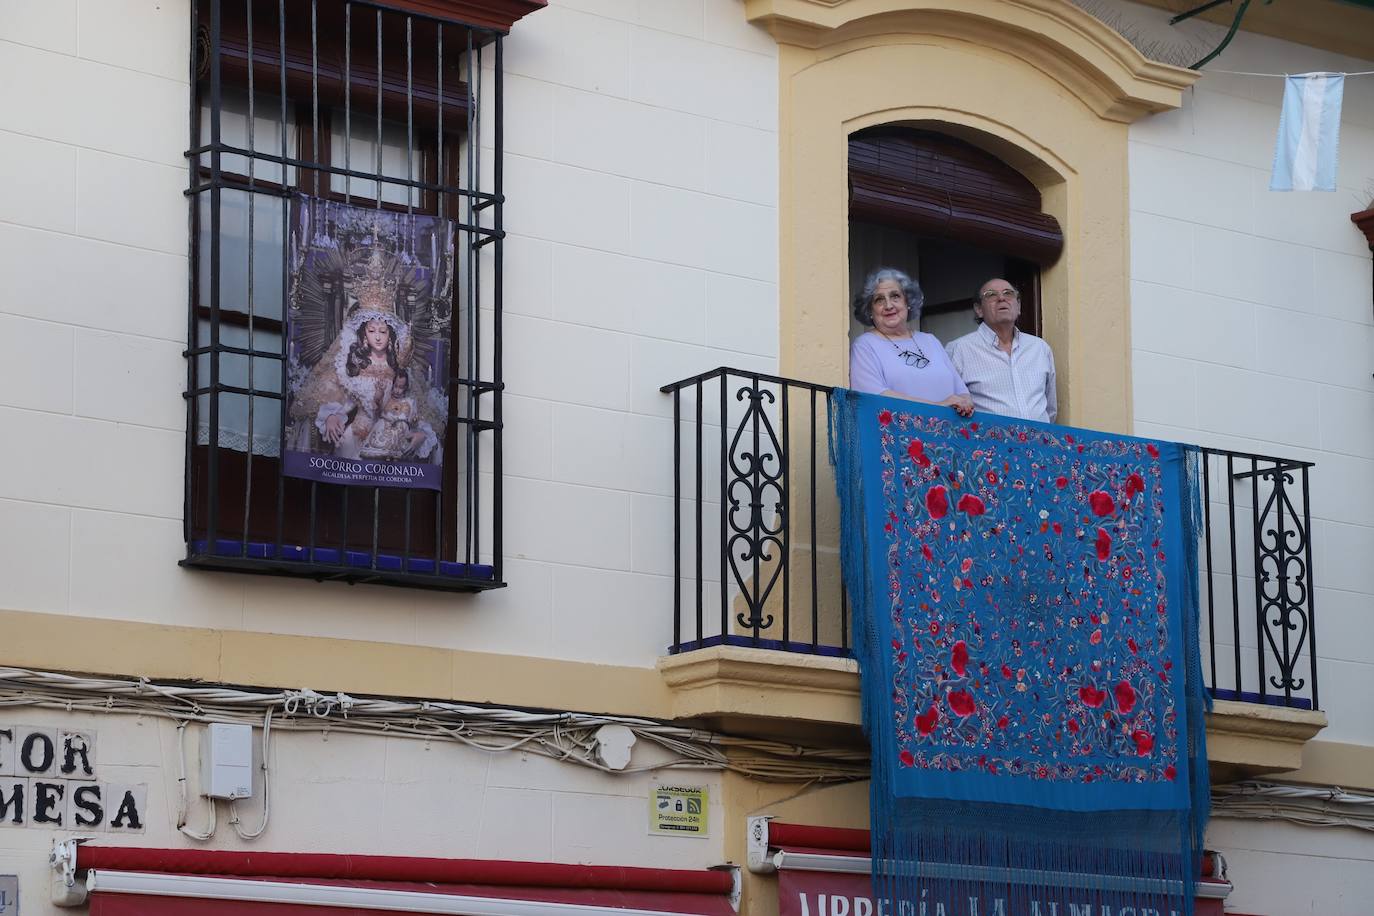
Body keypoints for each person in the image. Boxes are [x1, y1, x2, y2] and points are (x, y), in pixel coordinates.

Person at [848, 267, 975, 417]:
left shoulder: (930, 340)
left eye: (895, 296)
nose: (888, 305)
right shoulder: (865, 345)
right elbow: (873, 396)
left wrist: (965, 403)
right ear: (870, 310)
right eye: (879, 300)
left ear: (908, 302)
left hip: (945, 436)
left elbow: (962, 392)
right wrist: (937, 407)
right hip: (898, 436)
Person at [944, 278, 1057, 423]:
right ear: (979, 310)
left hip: (1039, 443)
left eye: (1008, 293)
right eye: (991, 295)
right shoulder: (959, 349)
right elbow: (945, 405)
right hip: (987, 444)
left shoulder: (1040, 348)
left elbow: (1050, 410)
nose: (1001, 298)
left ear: (1019, 306)